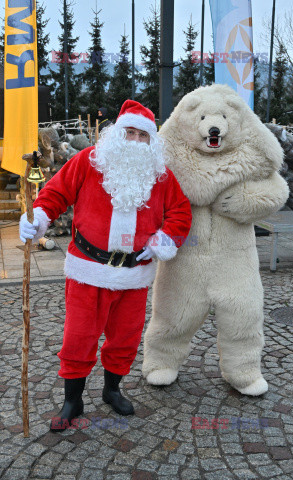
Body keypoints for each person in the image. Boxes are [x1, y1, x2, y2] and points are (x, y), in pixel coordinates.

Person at [19, 100, 192, 431]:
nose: (136, 141)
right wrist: (38, 218)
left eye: (143, 135)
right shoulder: (89, 161)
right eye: (130, 132)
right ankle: (73, 400)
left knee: (125, 338)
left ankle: (112, 390)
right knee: (79, 337)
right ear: (116, 133)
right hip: (88, 270)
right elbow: (54, 194)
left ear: (151, 141)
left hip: (134, 276)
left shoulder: (161, 175)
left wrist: (162, 241)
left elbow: (181, 214)